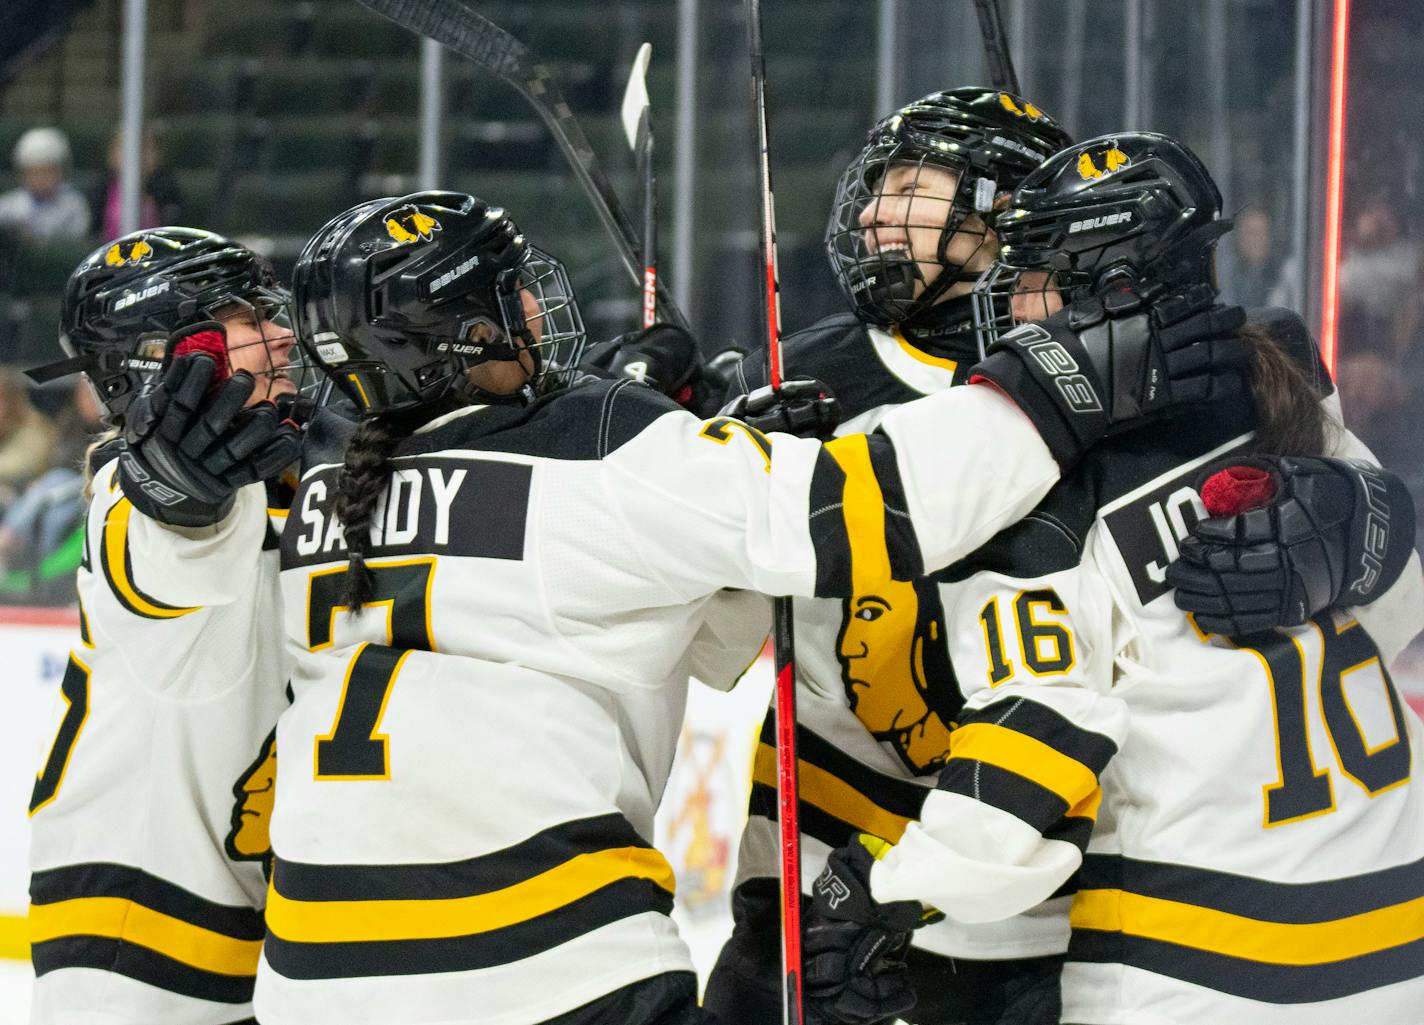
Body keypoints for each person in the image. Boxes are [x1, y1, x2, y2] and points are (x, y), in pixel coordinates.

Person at [255, 188, 1245, 1025]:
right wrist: (1053, 384)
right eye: (505, 290)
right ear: (463, 334)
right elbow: (871, 510)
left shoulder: (324, 497)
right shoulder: (595, 446)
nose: (528, 301)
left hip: (307, 976)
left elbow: (641, 607)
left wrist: (710, 449)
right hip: (537, 969)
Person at [800, 133, 1424, 1025]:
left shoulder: (1036, 493)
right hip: (1399, 929)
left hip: (1200, 965)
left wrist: (884, 886)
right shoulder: (1275, 388)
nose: (1008, 299)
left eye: (1033, 274)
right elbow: (1398, 611)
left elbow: (1038, 747)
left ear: (1113, 290)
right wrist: (1377, 515)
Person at [26, 226, 303, 1024]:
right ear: (167, 353)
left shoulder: (296, 477)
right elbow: (167, 571)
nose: (282, 332)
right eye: (248, 316)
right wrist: (181, 497)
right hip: (136, 936)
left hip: (263, 932)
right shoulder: (130, 490)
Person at [0, 126, 91, 242]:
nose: (39, 179)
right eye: (32, 172)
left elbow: (75, 244)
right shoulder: (8, 205)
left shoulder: (74, 205)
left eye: (46, 172)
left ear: (60, 172)